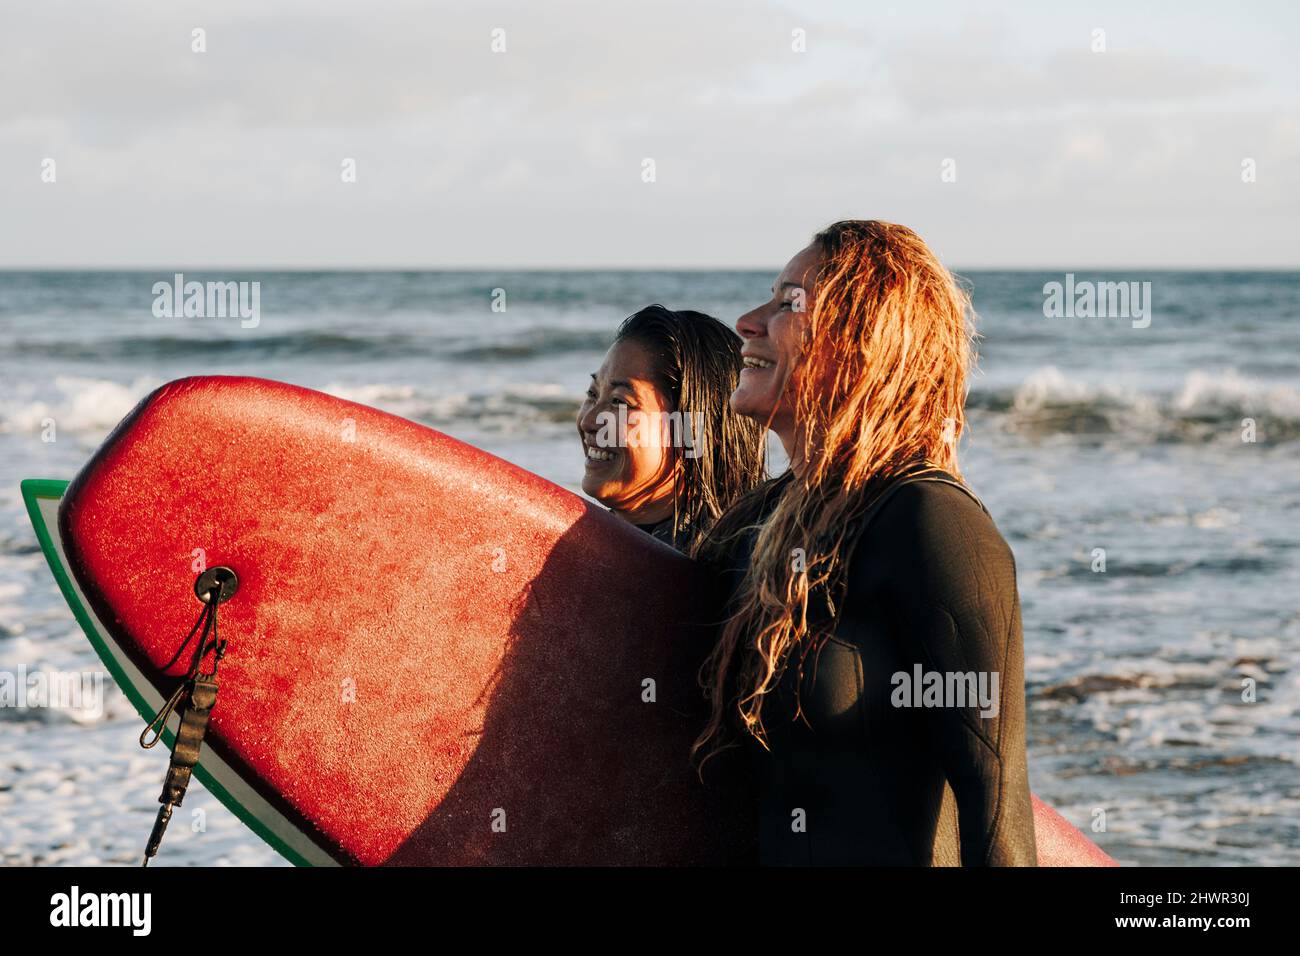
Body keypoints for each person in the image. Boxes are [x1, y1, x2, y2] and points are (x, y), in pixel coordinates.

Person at [690, 220, 1038, 866]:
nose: (747, 320)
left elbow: (998, 820)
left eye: (787, 302)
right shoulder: (755, 525)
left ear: (863, 340)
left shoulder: (932, 525)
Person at [577, 304, 766, 551]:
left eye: (619, 402)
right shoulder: (579, 544)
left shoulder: (738, 568)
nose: (589, 421)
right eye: (592, 394)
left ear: (693, 432)